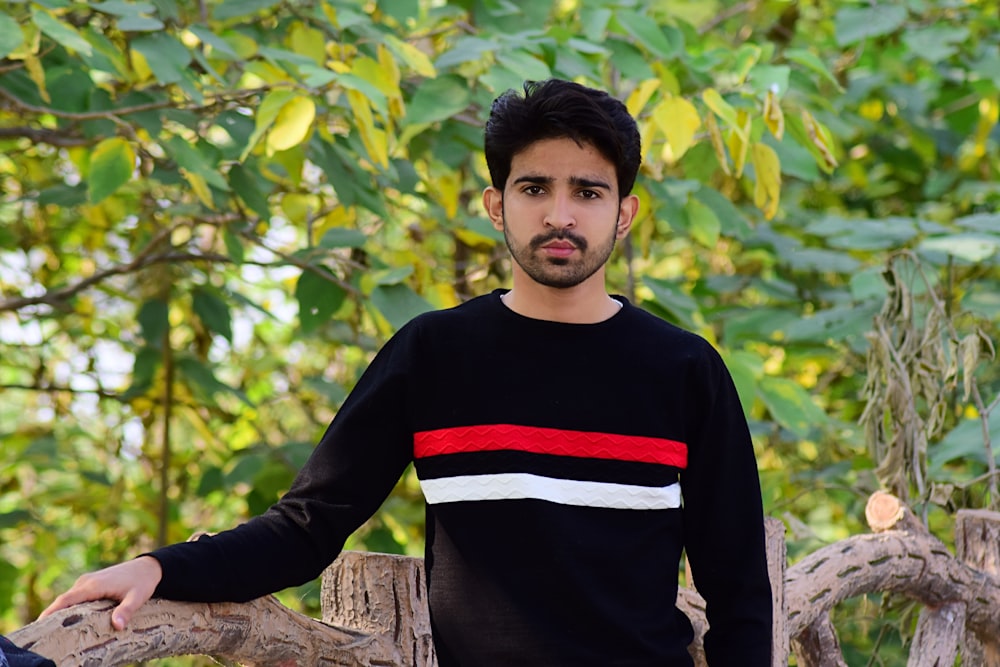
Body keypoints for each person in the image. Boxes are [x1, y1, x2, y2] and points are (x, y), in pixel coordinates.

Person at [42, 79, 772, 666]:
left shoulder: (684, 370)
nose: (560, 214)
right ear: (496, 205)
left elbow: (737, 589)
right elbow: (307, 524)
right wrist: (161, 567)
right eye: (533, 188)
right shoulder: (435, 355)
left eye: (587, 191)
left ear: (624, 214)